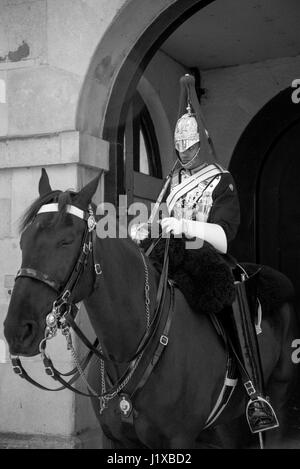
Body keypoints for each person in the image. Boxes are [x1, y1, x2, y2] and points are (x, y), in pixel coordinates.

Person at [132, 74, 278, 436]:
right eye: (180, 146)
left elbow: (224, 237)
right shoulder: (171, 182)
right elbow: (154, 221)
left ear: (202, 143)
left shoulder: (221, 180)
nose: (183, 152)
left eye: (190, 145)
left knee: (232, 298)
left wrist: (183, 228)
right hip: (165, 256)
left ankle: (252, 390)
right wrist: (141, 230)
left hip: (206, 257)